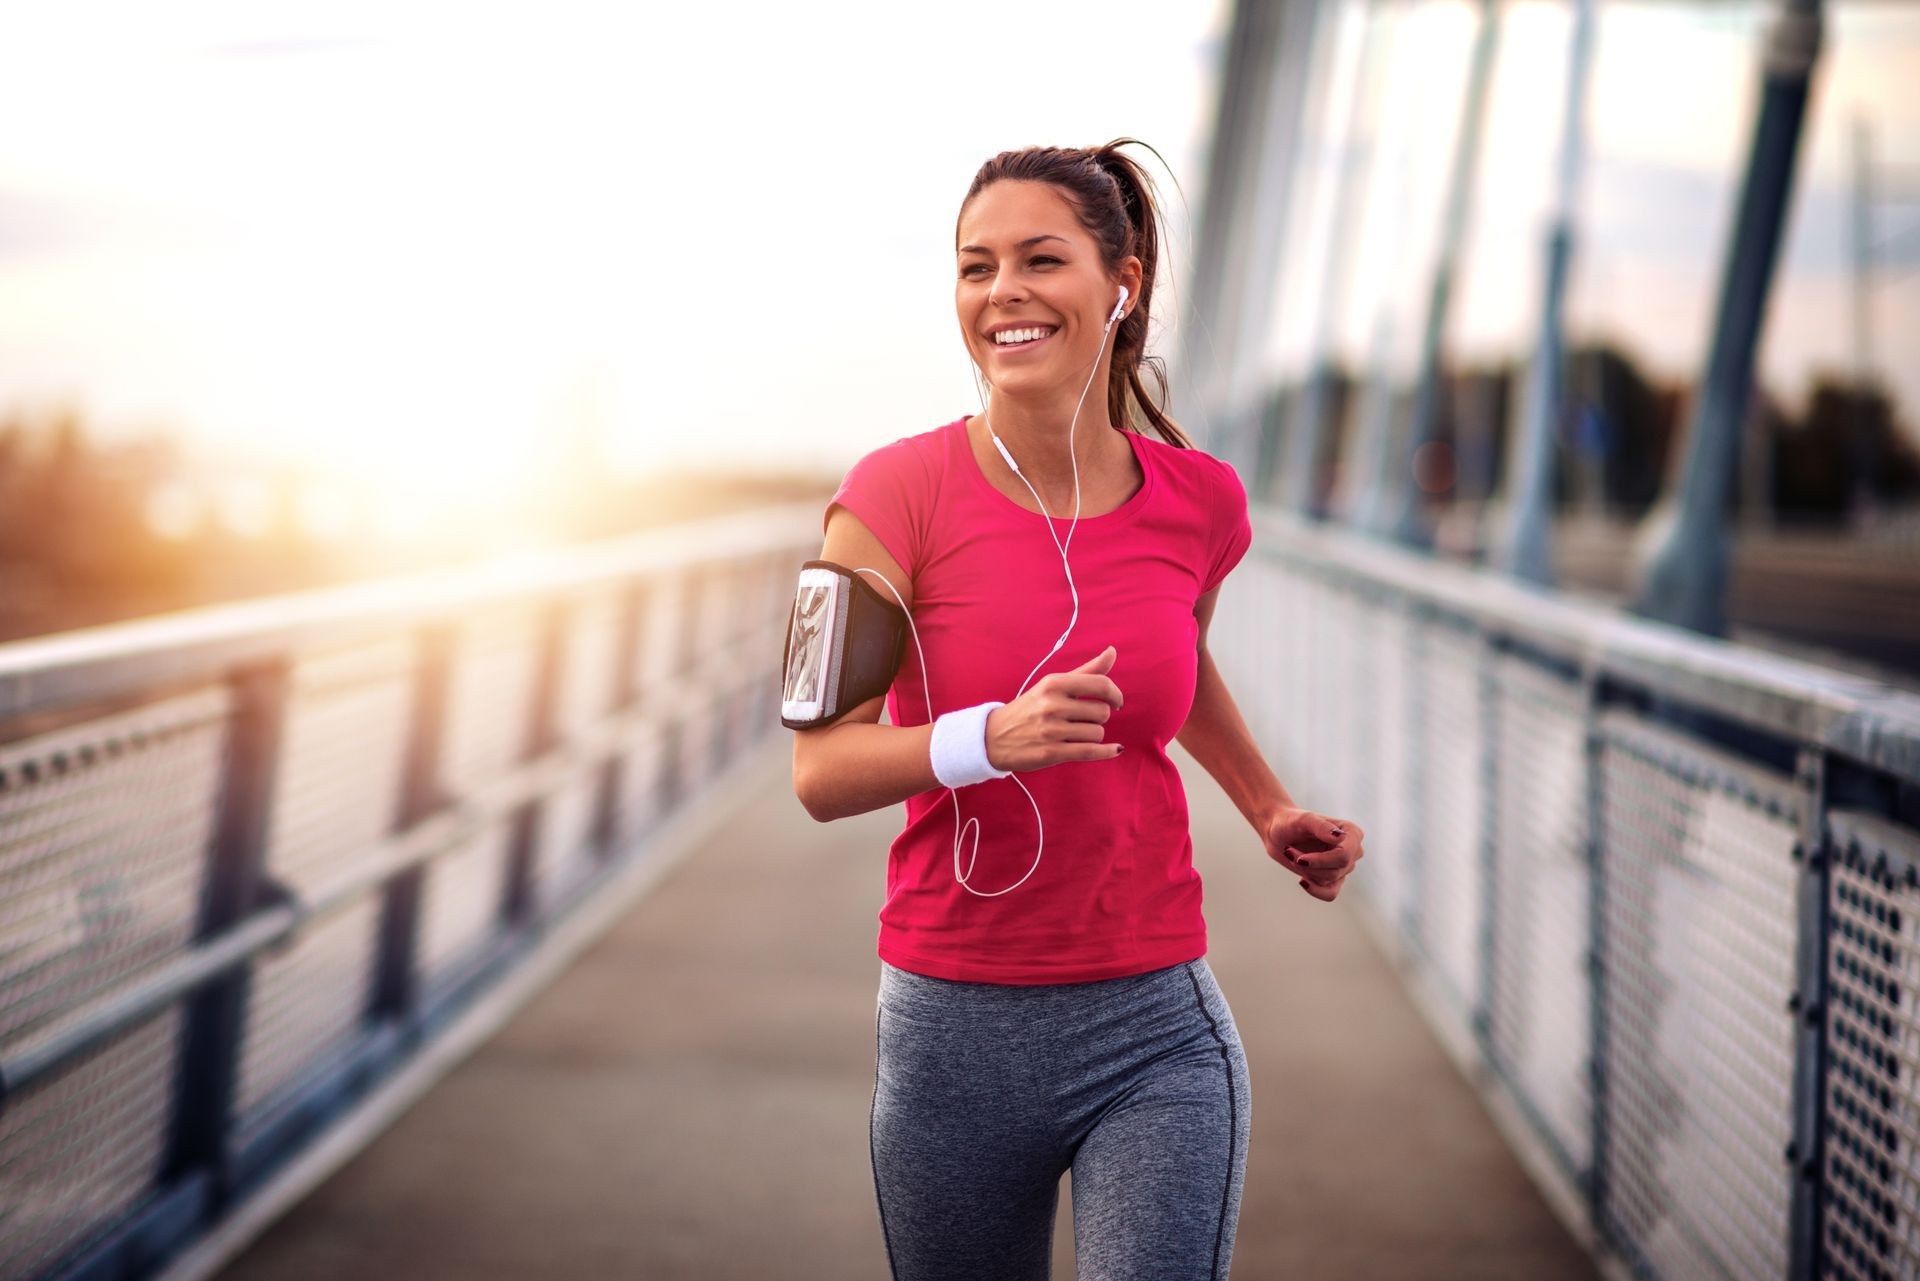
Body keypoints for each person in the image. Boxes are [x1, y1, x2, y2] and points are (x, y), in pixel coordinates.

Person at [789, 140, 1366, 1281]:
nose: (1002, 290)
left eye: (1040, 259)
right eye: (975, 266)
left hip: (1154, 1024)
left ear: (1125, 284)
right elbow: (820, 773)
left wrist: (1267, 806)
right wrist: (984, 740)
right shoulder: (888, 497)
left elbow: (1177, 666)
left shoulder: (1202, 501)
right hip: (952, 1030)